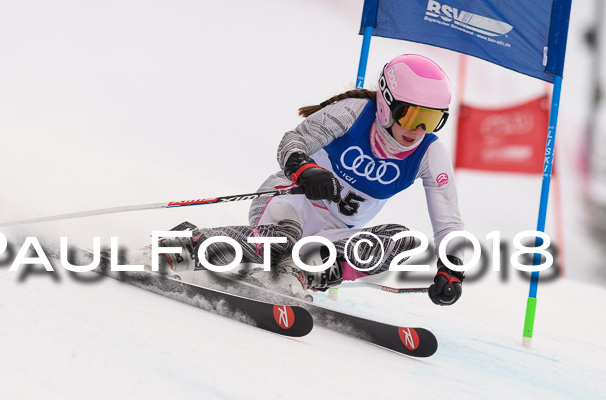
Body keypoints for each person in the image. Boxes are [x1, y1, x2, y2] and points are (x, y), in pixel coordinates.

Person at [160, 54, 465, 306]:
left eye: (432, 119)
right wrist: (306, 170)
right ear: (385, 103)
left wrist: (452, 269)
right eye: (412, 116)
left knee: (403, 241)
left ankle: (295, 275)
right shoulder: (354, 112)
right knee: (284, 240)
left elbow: (449, 223)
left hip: (332, 236)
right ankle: (182, 247)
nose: (418, 130)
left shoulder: (429, 153)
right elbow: (293, 142)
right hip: (289, 202)